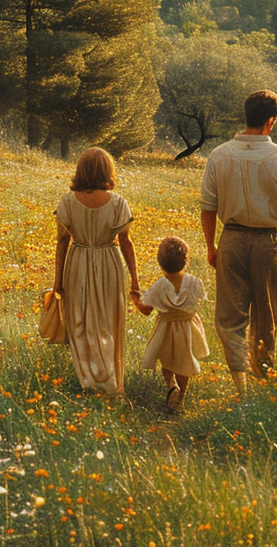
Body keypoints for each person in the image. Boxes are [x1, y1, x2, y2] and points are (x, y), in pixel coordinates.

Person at [200, 89, 277, 397]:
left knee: (230, 317)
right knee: (266, 315)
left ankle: (241, 387)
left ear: (247, 116)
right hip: (268, 242)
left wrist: (211, 246)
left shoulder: (219, 155)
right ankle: (262, 379)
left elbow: (208, 206)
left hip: (231, 239)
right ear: (271, 122)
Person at [53, 147, 140, 395]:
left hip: (77, 262)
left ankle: (88, 381)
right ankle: (108, 379)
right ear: (107, 171)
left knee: (79, 321)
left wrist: (57, 281)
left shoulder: (68, 202)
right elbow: (125, 242)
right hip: (108, 263)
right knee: (107, 322)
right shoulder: (118, 202)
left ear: (80, 171)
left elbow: (62, 242)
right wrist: (135, 279)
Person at [132, 236, 210, 412]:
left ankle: (171, 384)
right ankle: (180, 399)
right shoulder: (195, 282)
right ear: (186, 261)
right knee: (184, 362)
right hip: (188, 327)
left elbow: (146, 310)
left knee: (167, 361)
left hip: (166, 328)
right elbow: (198, 300)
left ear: (160, 263)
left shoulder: (160, 285)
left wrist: (136, 300)